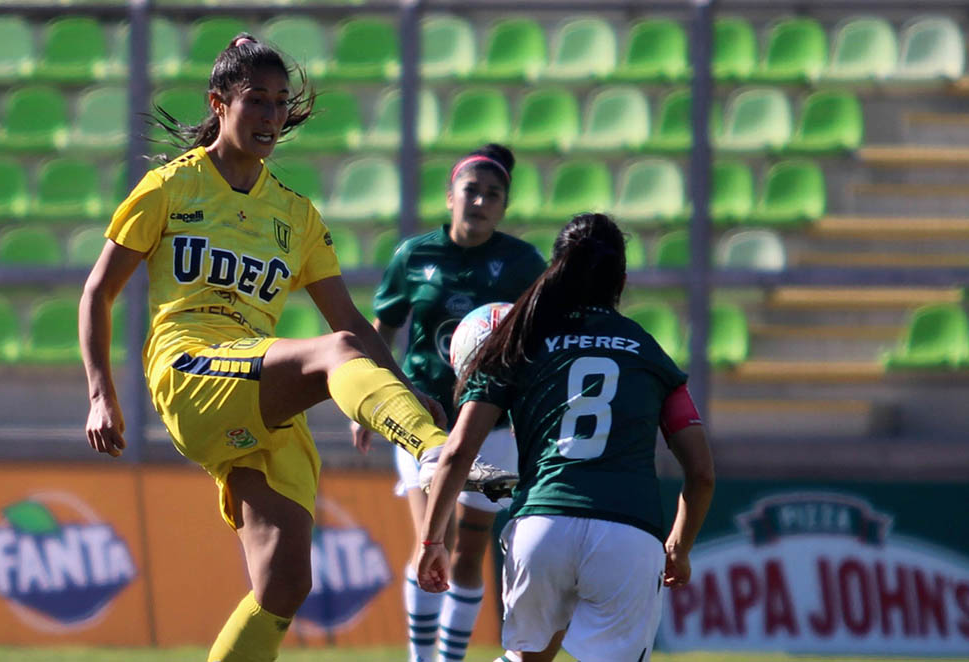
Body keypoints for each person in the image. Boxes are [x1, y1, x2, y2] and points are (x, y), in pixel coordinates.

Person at [79, 34, 474, 662]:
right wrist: (102, 394)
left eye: (280, 103)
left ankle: (425, 440)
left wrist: (400, 386)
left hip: (256, 389)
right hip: (189, 368)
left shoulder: (296, 214)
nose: (270, 116)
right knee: (334, 352)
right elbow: (97, 291)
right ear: (219, 102)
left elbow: (352, 320)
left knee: (286, 584)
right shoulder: (168, 189)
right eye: (255, 100)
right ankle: (435, 451)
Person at [416, 213, 716, 662]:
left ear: (553, 270)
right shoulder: (649, 351)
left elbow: (457, 451)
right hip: (628, 534)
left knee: (526, 659)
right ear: (623, 280)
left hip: (541, 529)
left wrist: (432, 541)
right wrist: (680, 546)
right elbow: (701, 473)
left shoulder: (519, 340)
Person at [352, 144, 547, 662]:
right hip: (423, 418)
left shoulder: (524, 263)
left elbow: (546, 334)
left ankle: (449, 659)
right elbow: (382, 331)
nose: (480, 201)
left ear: (504, 206)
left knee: (468, 550)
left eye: (493, 194)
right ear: (449, 196)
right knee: (428, 538)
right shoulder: (414, 256)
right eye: (471, 191)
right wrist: (371, 400)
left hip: (494, 424)